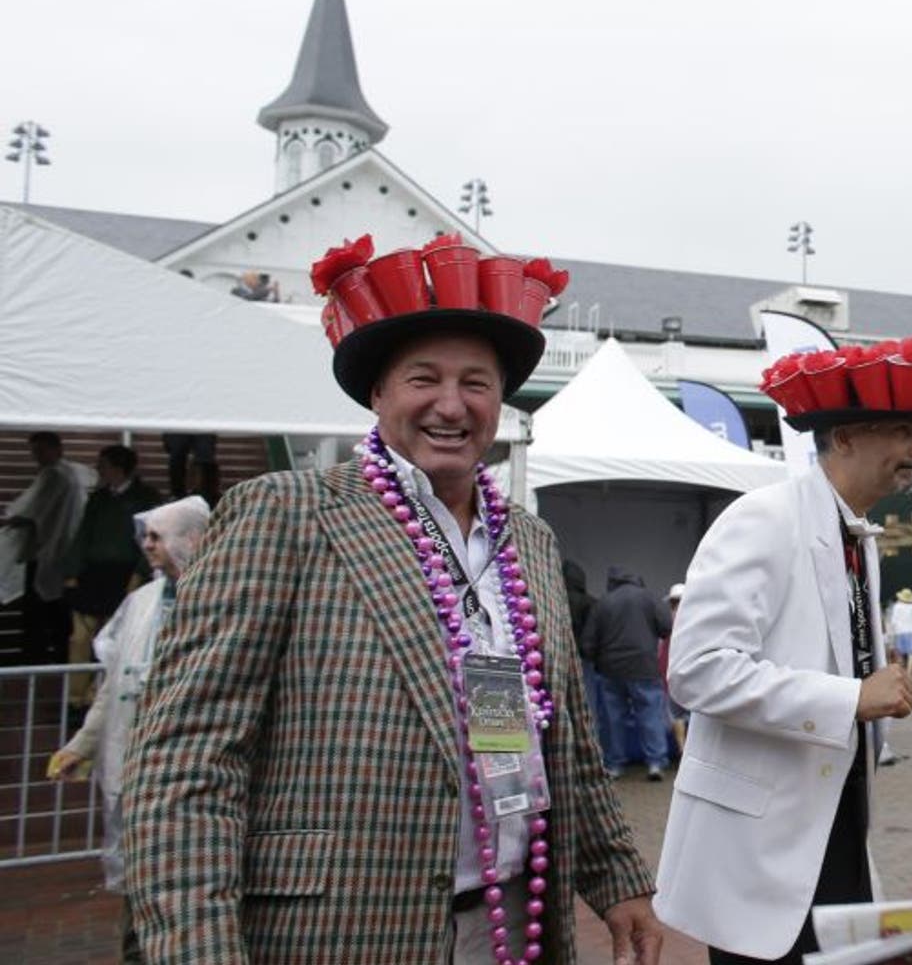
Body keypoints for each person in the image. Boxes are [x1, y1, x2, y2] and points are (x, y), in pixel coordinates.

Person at [121, 238, 666, 964]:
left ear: (500, 402)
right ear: (376, 394)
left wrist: (617, 876)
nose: (451, 404)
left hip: (511, 922)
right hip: (336, 931)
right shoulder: (285, 512)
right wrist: (199, 950)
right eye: (423, 379)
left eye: (476, 382)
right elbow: (185, 767)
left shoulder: (526, 542)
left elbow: (560, 743)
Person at [653, 338, 912, 963]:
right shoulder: (763, 518)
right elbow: (696, 671)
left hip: (833, 833)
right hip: (757, 855)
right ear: (844, 437)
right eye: (904, 430)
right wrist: (851, 697)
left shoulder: (857, 536)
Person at [48, 496, 211, 964]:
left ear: (193, 539)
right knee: (137, 885)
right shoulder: (139, 603)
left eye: (157, 536)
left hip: (187, 774)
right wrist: (81, 745)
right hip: (131, 766)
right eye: (147, 535)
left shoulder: (223, 602)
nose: (147, 545)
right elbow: (113, 685)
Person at [60, 445, 163, 711]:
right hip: (92, 575)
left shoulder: (147, 498)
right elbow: (82, 535)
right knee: (79, 638)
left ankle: (100, 696)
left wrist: (139, 575)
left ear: (118, 468)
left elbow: (152, 538)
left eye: (103, 465)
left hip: (124, 575)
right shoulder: (98, 498)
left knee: (115, 639)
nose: (99, 469)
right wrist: (71, 573)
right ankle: (76, 697)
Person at [5, 432, 91, 664]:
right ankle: (58, 657)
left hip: (47, 551)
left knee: (41, 612)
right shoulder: (71, 473)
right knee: (55, 609)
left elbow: (32, 511)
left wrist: (14, 518)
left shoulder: (54, 475)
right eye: (35, 451)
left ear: (57, 449)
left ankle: (36, 660)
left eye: (41, 450)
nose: (37, 456)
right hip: (59, 550)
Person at [582, 566, 675, 780]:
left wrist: (596, 660)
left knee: (613, 719)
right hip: (644, 666)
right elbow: (666, 626)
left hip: (611, 669)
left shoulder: (603, 602)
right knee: (651, 715)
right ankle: (655, 763)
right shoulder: (649, 598)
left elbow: (588, 641)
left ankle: (614, 765)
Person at [662, 583, 689, 759]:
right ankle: (685, 751)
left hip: (673, 675)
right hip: (688, 674)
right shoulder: (696, 621)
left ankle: (683, 749)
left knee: (676, 715)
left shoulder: (667, 624)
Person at [887, 587, 912, 675]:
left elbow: (893, 621)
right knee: (911, 654)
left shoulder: (897, 607)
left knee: (900, 654)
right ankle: (909, 674)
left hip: (900, 632)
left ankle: (901, 674)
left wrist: (892, 632)